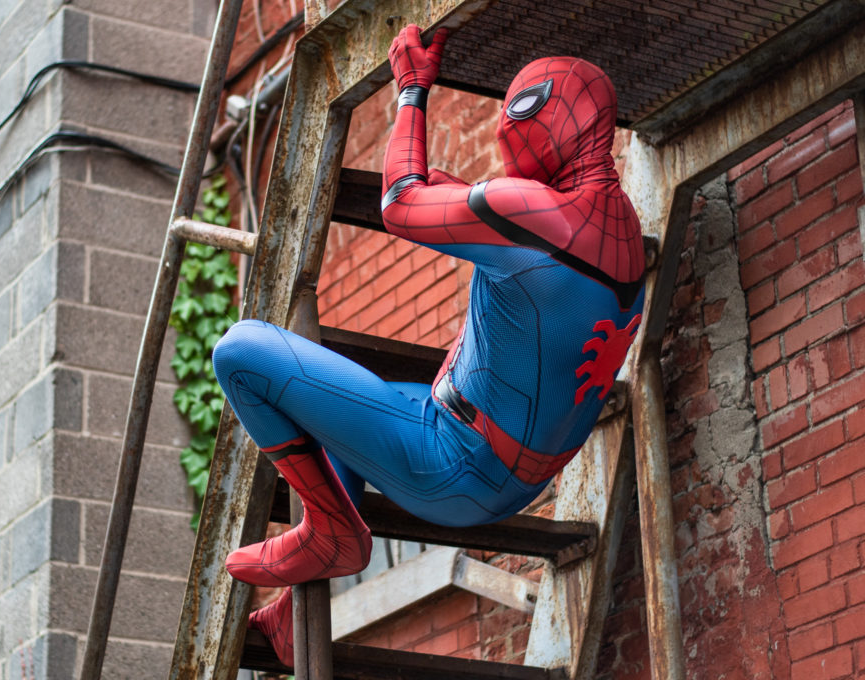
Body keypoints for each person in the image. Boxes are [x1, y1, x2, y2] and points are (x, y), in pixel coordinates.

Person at [211, 24, 646, 666]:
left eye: (520, 110)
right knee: (334, 398)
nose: (504, 129)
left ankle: (333, 533)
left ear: (555, 120)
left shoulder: (531, 212)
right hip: (515, 472)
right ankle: (285, 615)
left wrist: (412, 90)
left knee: (241, 352)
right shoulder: (622, 229)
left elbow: (399, 200)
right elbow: (467, 205)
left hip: (454, 462)